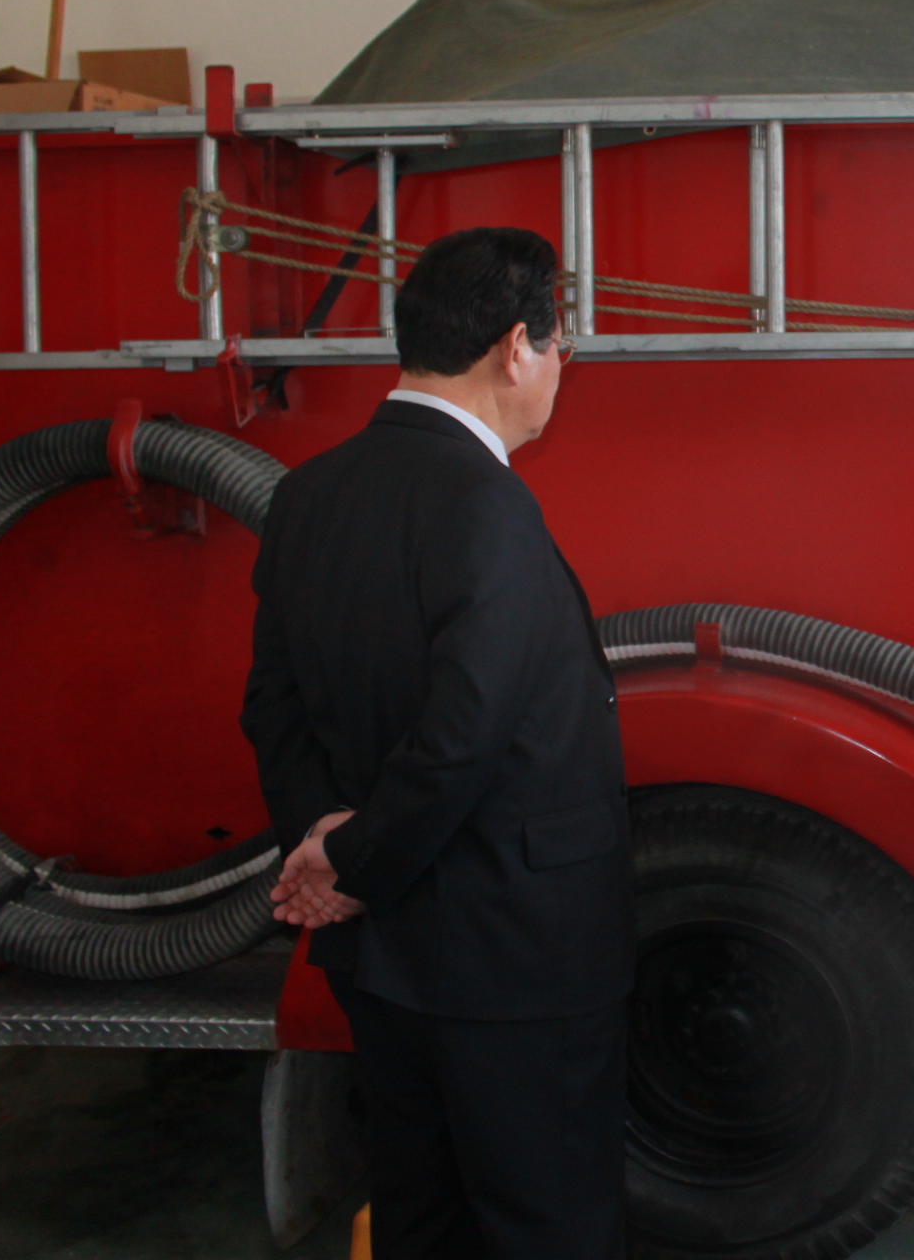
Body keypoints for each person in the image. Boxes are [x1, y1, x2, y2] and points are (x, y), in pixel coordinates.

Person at [242, 227, 632, 1260]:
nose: (562, 366)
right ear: (515, 347)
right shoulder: (486, 503)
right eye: (560, 342)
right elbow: (464, 736)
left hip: (381, 960)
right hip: (512, 961)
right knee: (546, 1221)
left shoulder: (308, 494)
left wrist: (324, 843)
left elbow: (274, 705)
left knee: (420, 1216)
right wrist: (350, 862)